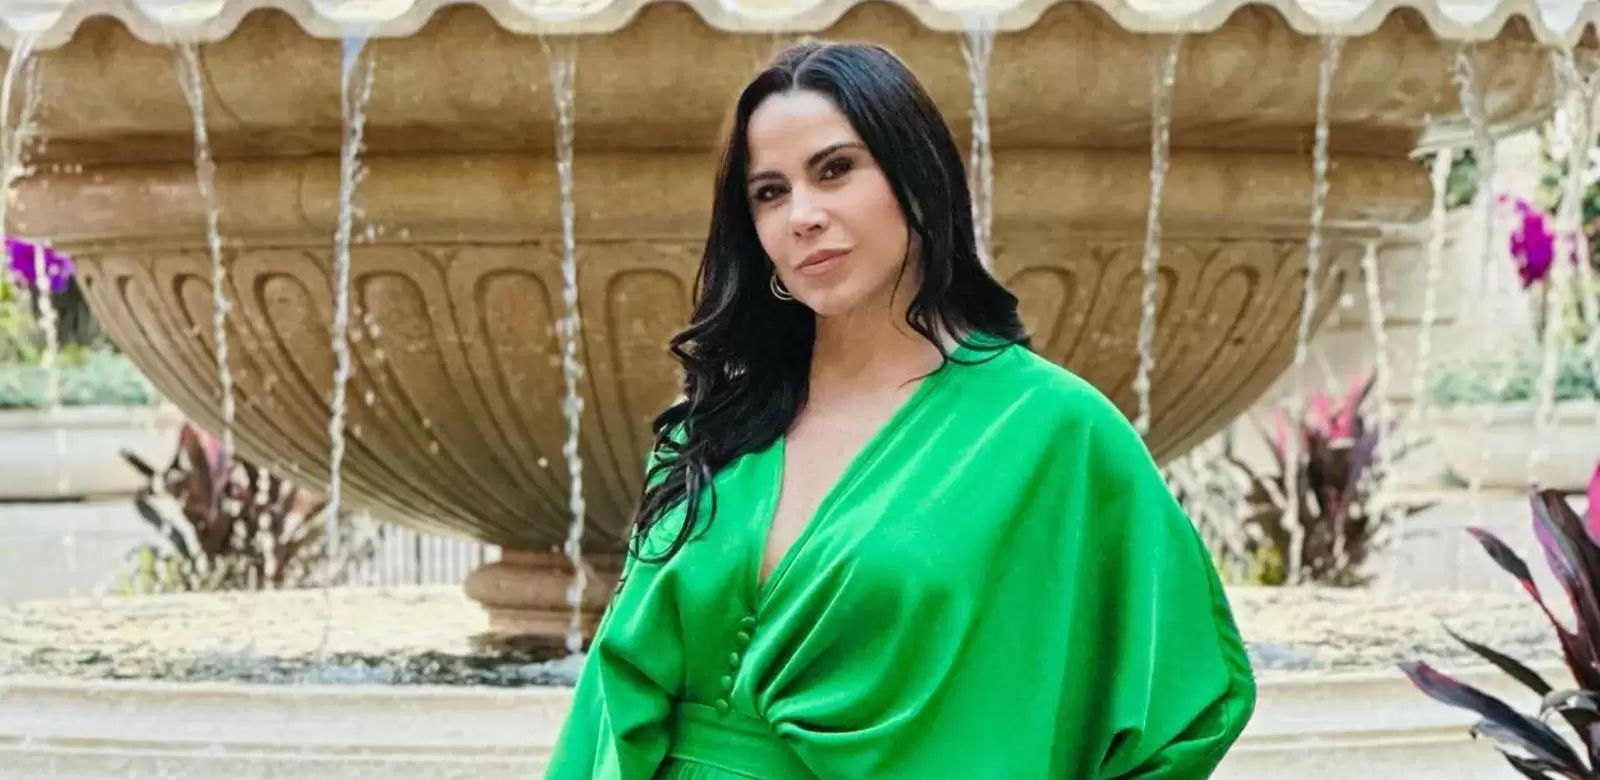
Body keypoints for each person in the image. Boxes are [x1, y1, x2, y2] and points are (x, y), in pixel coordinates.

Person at [545, 39, 1256, 780]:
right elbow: (610, 698)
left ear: (916, 178)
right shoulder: (715, 425)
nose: (802, 216)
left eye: (835, 170)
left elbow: (1191, 706)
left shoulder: (1055, 432)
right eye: (770, 192)